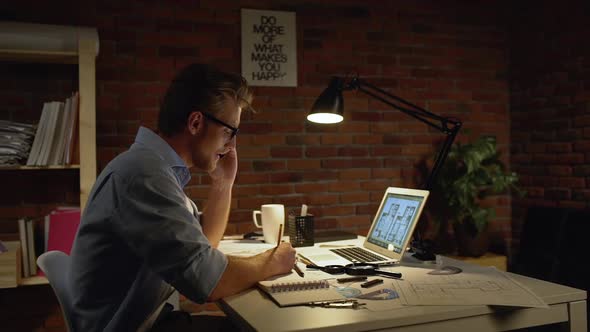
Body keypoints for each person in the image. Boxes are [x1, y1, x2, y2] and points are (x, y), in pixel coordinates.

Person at [69, 63, 296, 331]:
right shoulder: (144, 174)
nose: (232, 145)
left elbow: (203, 249)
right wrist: (273, 261)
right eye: (229, 131)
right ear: (196, 122)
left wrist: (223, 185)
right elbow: (207, 281)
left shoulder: (154, 168)